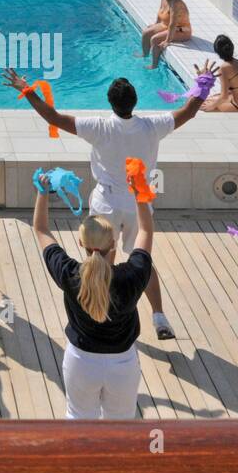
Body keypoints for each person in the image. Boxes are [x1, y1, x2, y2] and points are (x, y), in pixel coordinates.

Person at [5, 59, 216, 340]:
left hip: (106, 203)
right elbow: (189, 111)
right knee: (142, 260)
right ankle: (159, 316)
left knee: (100, 259)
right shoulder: (154, 126)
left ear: (110, 103)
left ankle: (99, 308)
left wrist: (28, 90)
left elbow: (53, 118)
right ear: (135, 102)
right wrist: (203, 83)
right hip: (138, 205)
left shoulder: (99, 127)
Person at [32, 171, 154, 419]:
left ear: (81, 244)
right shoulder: (131, 276)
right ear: (113, 243)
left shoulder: (70, 274)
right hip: (123, 364)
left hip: (81, 361)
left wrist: (42, 193)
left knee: (79, 421)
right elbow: (145, 232)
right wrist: (140, 193)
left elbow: (41, 229)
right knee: (120, 427)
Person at [139, 0, 192, 68]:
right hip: (166, 25)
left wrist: (168, 40)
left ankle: (154, 65)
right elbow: (160, 11)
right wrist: (156, 24)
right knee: (145, 33)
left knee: (154, 39)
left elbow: (173, 24)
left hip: (181, 30)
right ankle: (145, 55)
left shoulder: (175, 3)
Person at [201, 35, 238, 112]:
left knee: (202, 105)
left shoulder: (223, 68)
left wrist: (211, 106)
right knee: (211, 98)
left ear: (217, 52)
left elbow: (224, 97)